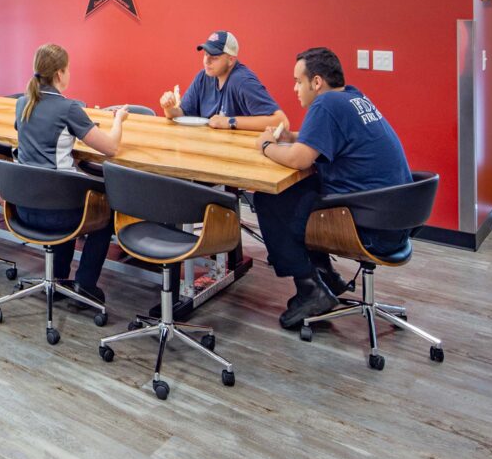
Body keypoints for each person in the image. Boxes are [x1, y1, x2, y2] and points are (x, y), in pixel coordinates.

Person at [253, 47, 414, 330]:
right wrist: (292, 136)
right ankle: (324, 275)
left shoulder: (325, 105)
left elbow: (299, 159)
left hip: (370, 227)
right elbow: (326, 139)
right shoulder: (352, 97)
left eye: (297, 81)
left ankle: (310, 289)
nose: (294, 88)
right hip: (396, 219)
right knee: (300, 193)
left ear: (316, 82)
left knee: (270, 199)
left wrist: (267, 146)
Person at [14, 43, 127, 307]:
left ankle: (58, 278)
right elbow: (111, 148)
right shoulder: (68, 109)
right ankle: (85, 285)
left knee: (60, 191)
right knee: (106, 210)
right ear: (59, 74)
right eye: (68, 70)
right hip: (55, 213)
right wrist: (119, 119)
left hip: (22, 209)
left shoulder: (22, 103)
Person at [159, 30, 287, 131]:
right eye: (205, 54)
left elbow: (282, 122)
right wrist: (169, 108)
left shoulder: (241, 81)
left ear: (231, 60)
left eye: (214, 56)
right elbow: (182, 114)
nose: (207, 61)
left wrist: (229, 121)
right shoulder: (204, 76)